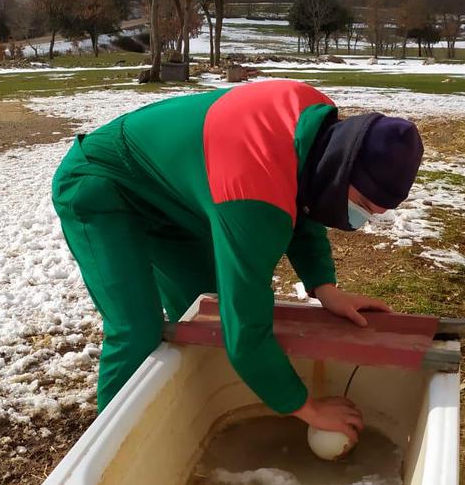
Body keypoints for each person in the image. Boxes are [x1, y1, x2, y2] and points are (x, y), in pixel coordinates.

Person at [52, 78, 423, 441]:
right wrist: (307, 408)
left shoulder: (320, 131)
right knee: (136, 328)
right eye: (361, 205)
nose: (359, 218)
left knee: (204, 308)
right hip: (100, 185)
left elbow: (306, 197)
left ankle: (191, 410)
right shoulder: (254, 193)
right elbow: (245, 331)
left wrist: (326, 289)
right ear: (340, 172)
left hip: (172, 201)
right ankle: (109, 450)